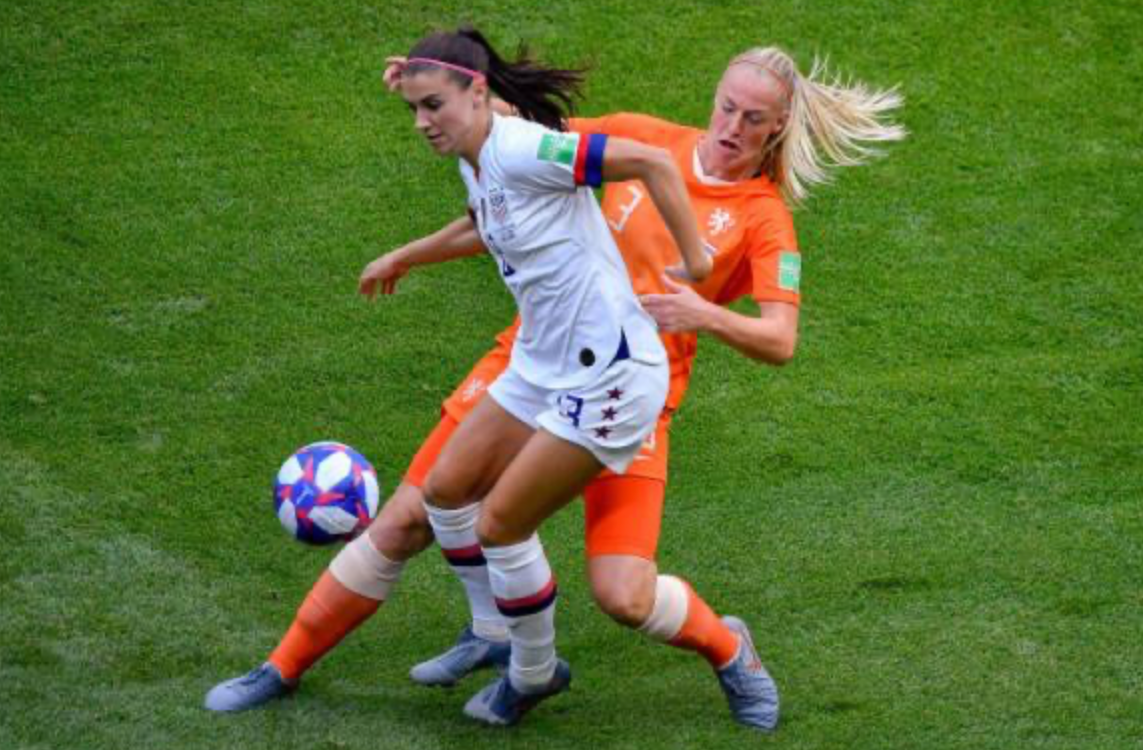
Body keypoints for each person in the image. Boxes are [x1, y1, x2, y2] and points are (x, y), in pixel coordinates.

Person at [205, 40, 905, 732]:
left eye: (752, 119)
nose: (730, 127)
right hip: (533, 360)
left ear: (776, 127)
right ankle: (289, 664)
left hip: (626, 397)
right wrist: (437, 97)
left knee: (621, 594)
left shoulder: (760, 218)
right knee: (415, 512)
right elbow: (513, 165)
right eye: (726, 107)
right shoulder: (638, 133)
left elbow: (780, 340)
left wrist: (703, 313)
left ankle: (726, 648)